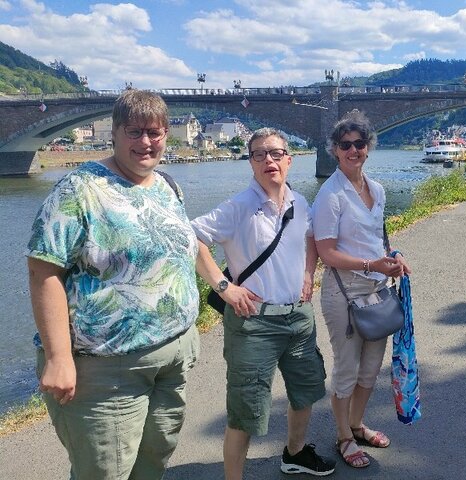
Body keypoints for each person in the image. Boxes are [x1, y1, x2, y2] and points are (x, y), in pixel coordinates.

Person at [26, 89, 200, 480]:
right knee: (104, 472)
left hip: (170, 359)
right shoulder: (79, 190)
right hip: (106, 368)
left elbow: (181, 251)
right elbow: (43, 272)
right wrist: (58, 358)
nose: (145, 142)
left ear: (166, 135)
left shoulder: (166, 185)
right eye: (134, 132)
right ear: (115, 133)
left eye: (154, 133)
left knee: (153, 460)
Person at [191, 128, 335, 479]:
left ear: (289, 159)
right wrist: (225, 287)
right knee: (245, 410)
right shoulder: (240, 207)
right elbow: (191, 237)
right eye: (259, 154)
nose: (268, 160)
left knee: (305, 393)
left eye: (275, 153)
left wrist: (307, 273)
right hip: (253, 322)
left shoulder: (300, 203)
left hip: (298, 319)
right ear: (251, 164)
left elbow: (310, 236)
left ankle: (296, 454)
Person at [312, 110, 412, 469]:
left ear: (368, 147)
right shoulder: (330, 194)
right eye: (345, 145)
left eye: (359, 143)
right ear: (335, 151)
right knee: (347, 369)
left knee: (371, 369)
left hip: (377, 289)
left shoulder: (377, 189)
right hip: (344, 292)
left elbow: (375, 241)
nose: (353, 150)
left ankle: (356, 424)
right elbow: (326, 252)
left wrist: (393, 257)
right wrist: (372, 265)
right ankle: (342, 437)